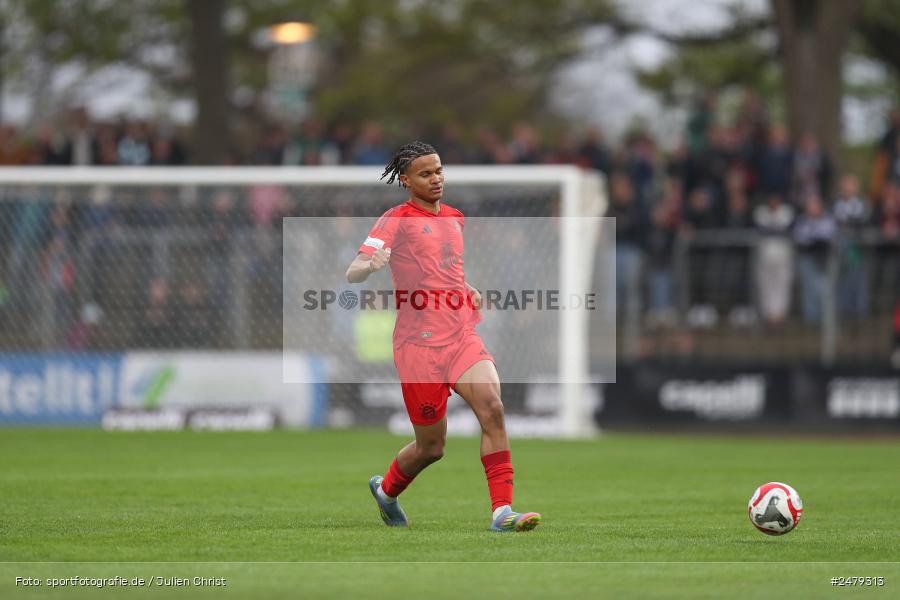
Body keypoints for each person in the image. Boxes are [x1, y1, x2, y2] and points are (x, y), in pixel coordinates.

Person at [345, 141, 541, 532]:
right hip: (418, 346)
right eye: (425, 173)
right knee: (431, 447)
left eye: (438, 171)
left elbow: (443, 267)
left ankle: (502, 512)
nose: (436, 179)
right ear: (405, 180)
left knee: (493, 408)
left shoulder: (455, 217)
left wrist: (465, 287)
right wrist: (371, 265)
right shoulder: (395, 219)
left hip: (460, 334)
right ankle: (386, 491)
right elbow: (353, 270)